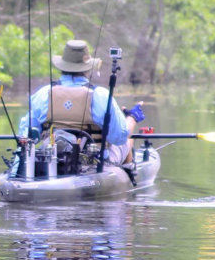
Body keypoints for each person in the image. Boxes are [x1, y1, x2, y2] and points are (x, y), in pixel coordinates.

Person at [17, 40, 145, 166]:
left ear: (62, 66)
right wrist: (132, 118)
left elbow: (27, 133)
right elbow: (119, 137)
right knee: (128, 139)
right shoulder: (101, 95)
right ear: (87, 69)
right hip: (94, 162)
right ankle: (129, 173)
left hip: (53, 158)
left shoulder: (43, 93)